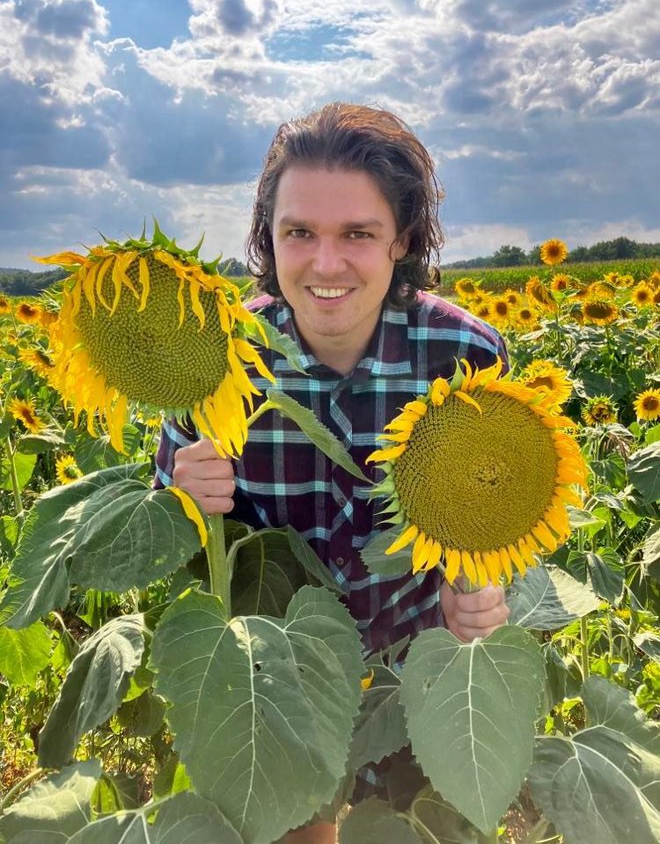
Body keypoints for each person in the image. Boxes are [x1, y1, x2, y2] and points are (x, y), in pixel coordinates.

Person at [154, 102, 509, 844]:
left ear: (402, 239)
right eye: (299, 233)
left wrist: (483, 589)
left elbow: (503, 509)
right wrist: (180, 493)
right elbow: (172, 526)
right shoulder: (215, 357)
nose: (324, 263)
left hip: (415, 670)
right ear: (269, 238)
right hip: (280, 683)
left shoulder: (465, 358)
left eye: (357, 234)